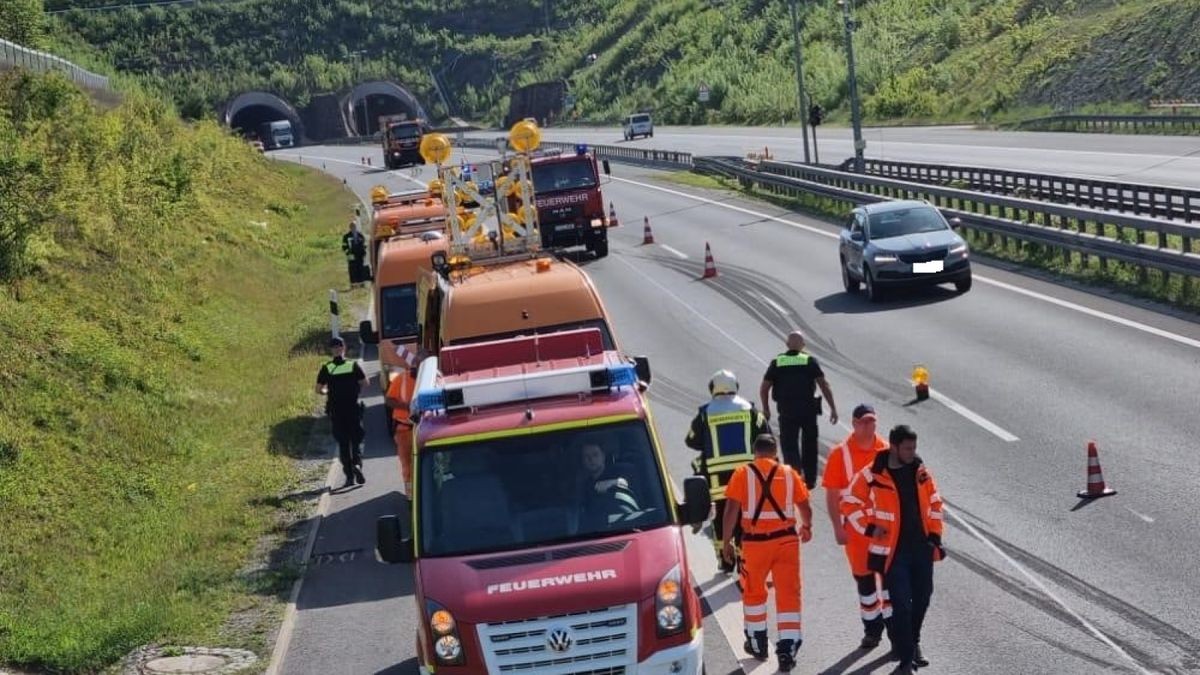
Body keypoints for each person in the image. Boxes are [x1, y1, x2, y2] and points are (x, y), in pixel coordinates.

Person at [840, 425, 946, 675]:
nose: (912, 452)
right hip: (891, 551)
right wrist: (869, 528)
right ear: (894, 447)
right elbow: (849, 503)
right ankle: (907, 656)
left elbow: (935, 502)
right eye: (907, 448)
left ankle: (913, 640)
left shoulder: (920, 471)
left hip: (922, 548)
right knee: (900, 604)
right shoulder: (872, 474)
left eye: (914, 448)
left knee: (923, 597)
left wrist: (935, 534)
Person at [720, 434, 813, 672]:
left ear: (755, 452)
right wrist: (807, 526)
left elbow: (731, 509)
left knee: (753, 593)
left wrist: (727, 541)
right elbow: (804, 505)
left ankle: (757, 642)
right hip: (787, 543)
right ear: (774, 452)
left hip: (755, 545)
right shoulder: (789, 473)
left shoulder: (742, 473)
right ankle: (788, 648)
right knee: (788, 594)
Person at [685, 369, 772, 573]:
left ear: (713, 388)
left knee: (720, 519)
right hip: (746, 477)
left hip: (717, 481)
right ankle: (744, 560)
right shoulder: (751, 412)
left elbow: (691, 440)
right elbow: (766, 437)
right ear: (736, 387)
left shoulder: (705, 414)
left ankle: (725, 561)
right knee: (744, 518)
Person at [822, 404, 893, 650]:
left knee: (890, 583)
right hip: (856, 532)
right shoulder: (840, 454)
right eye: (863, 421)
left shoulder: (885, 449)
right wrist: (837, 529)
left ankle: (897, 632)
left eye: (872, 421)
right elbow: (832, 496)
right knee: (865, 583)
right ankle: (873, 631)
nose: (868, 426)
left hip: (886, 530)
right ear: (853, 423)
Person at [759, 330, 839, 489]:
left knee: (789, 446)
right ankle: (809, 480)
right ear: (803, 346)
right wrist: (833, 408)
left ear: (787, 345)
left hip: (787, 411)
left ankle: (794, 479)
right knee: (809, 444)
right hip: (808, 410)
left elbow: (764, 388)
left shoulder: (777, 362)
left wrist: (766, 409)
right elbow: (824, 385)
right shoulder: (809, 361)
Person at [316, 336, 369, 488]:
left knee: (343, 443)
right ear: (344, 348)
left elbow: (318, 389)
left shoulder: (327, 368)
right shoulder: (352, 366)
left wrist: (328, 391)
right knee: (356, 439)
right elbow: (365, 383)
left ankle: (349, 476)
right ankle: (357, 463)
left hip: (336, 411)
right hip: (353, 409)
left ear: (331, 350)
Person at [578, 442, 639, 530]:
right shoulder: (584, 486)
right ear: (583, 461)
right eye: (586, 456)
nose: (591, 459)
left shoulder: (618, 471)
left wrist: (611, 483)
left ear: (603, 456)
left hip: (625, 525)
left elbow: (624, 482)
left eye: (595, 455)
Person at [384, 362, 419, 498]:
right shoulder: (401, 378)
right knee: (408, 466)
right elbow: (389, 400)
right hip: (405, 429)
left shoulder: (433, 378)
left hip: (428, 429)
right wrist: (408, 406)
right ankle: (411, 497)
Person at [342, 219, 368, 287]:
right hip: (352, 256)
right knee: (353, 270)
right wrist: (348, 254)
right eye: (352, 226)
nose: (353, 228)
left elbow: (364, 244)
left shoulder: (360, 235)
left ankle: (362, 283)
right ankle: (354, 284)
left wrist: (363, 251)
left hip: (360, 255)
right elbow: (344, 246)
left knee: (361, 268)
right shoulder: (346, 236)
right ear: (350, 227)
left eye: (354, 226)